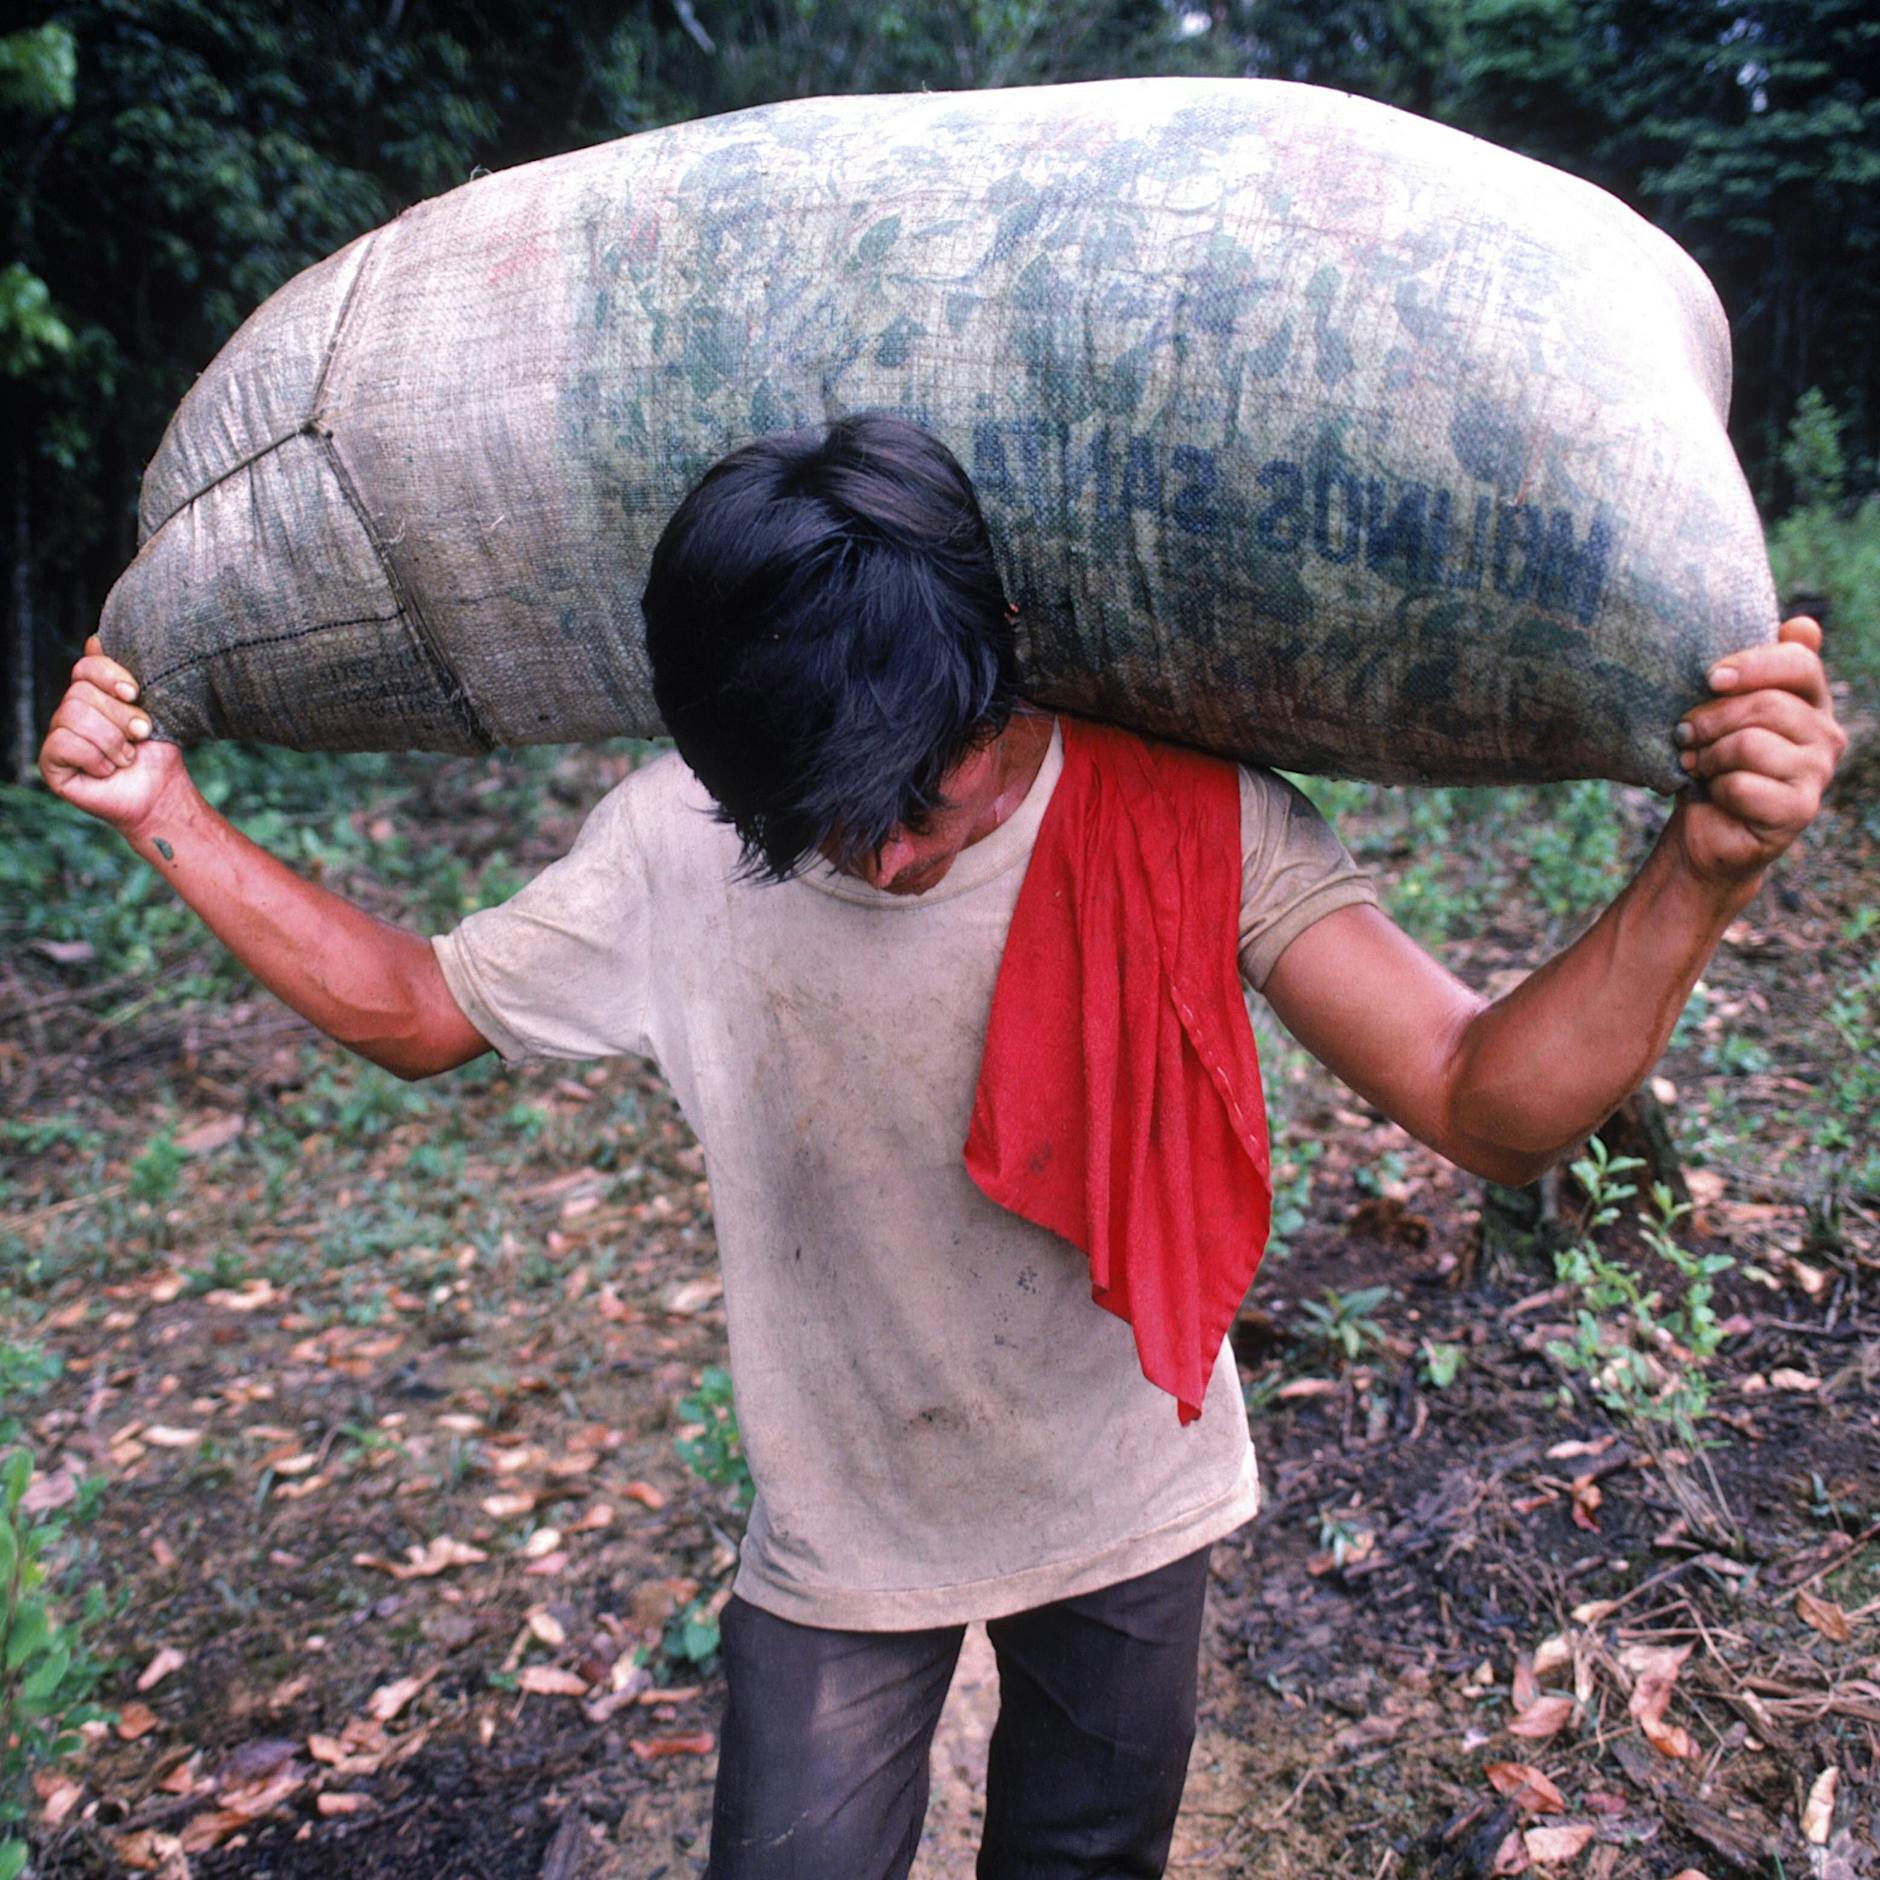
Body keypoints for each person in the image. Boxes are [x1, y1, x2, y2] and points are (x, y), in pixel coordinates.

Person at [41, 414, 1843, 1879]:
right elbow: (418, 1007)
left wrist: (1699, 870)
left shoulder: (1180, 811)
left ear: (1002, 676)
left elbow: (1480, 1100)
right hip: (841, 1533)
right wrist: (163, 811)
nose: (896, 856)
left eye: (941, 790)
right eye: (830, 825)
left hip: (1131, 1500)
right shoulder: (676, 844)